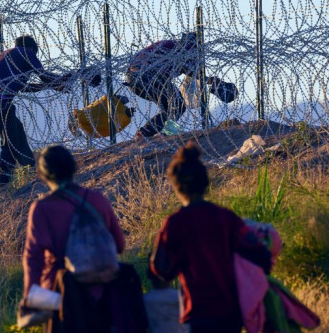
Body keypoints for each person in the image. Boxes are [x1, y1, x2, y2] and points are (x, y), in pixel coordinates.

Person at [149, 142, 273, 333]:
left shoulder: (175, 223)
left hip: (197, 313)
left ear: (176, 186)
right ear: (206, 183)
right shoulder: (226, 217)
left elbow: (161, 270)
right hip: (231, 313)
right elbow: (261, 257)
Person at [22, 145, 137, 332]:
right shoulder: (97, 199)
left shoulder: (42, 208)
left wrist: (31, 300)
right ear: (73, 167)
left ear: (43, 174)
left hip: (60, 297)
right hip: (103, 294)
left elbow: (33, 259)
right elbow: (119, 245)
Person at [0, 35, 80, 185]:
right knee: (10, 140)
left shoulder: (5, 56)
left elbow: (25, 87)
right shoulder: (26, 52)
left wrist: (55, 84)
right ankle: (3, 180)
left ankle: (31, 169)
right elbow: (43, 76)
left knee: (17, 132)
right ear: (33, 49)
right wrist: (66, 79)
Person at [124, 32, 223, 139]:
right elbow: (190, 70)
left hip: (134, 79)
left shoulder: (172, 47)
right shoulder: (177, 50)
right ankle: (150, 133)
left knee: (173, 107)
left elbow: (191, 72)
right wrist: (210, 80)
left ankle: (147, 133)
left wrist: (209, 80)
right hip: (147, 76)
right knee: (177, 106)